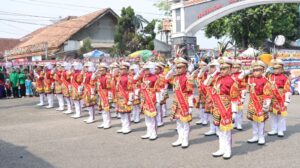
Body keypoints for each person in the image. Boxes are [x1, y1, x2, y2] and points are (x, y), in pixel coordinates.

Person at [208, 57, 239, 160]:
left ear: (230, 69)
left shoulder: (232, 81)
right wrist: (213, 74)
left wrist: (234, 111)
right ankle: (221, 148)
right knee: (220, 130)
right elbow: (206, 84)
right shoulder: (217, 78)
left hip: (226, 107)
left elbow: (234, 98)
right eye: (221, 68)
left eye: (224, 68)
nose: (222, 71)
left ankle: (228, 150)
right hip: (217, 106)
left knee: (226, 130)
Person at [165, 57, 194, 148]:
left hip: (184, 102)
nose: (178, 69)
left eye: (180, 67)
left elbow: (190, 93)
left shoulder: (188, 77)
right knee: (178, 121)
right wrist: (172, 69)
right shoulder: (175, 77)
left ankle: (185, 139)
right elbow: (166, 78)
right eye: (177, 67)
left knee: (185, 122)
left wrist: (190, 106)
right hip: (176, 102)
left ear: (185, 68)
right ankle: (180, 138)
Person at [247, 60, 272, 145]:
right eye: (254, 70)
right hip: (252, 102)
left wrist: (267, 103)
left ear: (262, 71)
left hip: (261, 102)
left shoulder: (265, 80)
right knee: (253, 120)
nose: (255, 72)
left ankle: (261, 136)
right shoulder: (250, 79)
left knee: (261, 121)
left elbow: (267, 93)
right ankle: (255, 135)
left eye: (258, 70)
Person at [267, 58, 291, 137]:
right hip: (272, 97)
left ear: (281, 69)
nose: (275, 70)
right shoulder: (270, 76)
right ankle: (274, 129)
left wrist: (287, 100)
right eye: (274, 68)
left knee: (281, 115)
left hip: (281, 97)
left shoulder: (284, 77)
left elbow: (287, 89)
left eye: (277, 68)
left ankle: (280, 130)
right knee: (272, 114)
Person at [137, 62, 159, 140]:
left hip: (152, 99)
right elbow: (134, 79)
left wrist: (158, 100)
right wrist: (141, 70)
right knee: (147, 117)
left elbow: (158, 90)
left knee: (152, 117)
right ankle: (148, 132)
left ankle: (154, 133)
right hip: (145, 99)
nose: (145, 71)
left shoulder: (155, 77)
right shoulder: (143, 77)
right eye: (145, 69)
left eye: (147, 69)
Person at [115, 62, 133, 134]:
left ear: (127, 70)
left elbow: (131, 89)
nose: (121, 70)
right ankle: (123, 126)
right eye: (120, 69)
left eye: (123, 69)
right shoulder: (119, 77)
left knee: (126, 113)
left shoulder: (129, 78)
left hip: (126, 97)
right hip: (120, 97)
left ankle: (127, 127)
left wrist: (130, 99)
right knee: (121, 113)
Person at [96, 63, 112, 129]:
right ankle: (104, 122)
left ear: (106, 70)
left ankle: (108, 123)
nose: (100, 71)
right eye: (100, 70)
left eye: (102, 70)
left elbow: (109, 87)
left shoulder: (108, 77)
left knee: (106, 109)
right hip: (100, 94)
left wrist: (110, 97)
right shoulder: (99, 76)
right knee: (102, 109)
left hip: (105, 94)